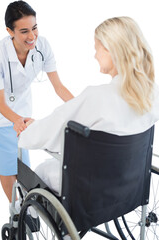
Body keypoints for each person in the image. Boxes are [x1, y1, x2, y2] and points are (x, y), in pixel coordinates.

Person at [19, 16, 159, 193]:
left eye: (97, 48)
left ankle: (31, 219)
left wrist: (30, 129)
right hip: (129, 180)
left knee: (41, 171)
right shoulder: (152, 92)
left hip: (92, 185)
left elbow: (54, 128)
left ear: (112, 50)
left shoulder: (97, 97)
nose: (95, 55)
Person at [0, 0, 74, 205]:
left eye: (34, 28)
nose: (32, 36)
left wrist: (81, 106)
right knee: (6, 166)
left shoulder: (43, 46)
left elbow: (58, 87)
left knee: (22, 164)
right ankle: (15, 208)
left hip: (22, 109)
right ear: (10, 31)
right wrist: (16, 120)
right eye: (24, 31)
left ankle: (28, 207)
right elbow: (0, 103)